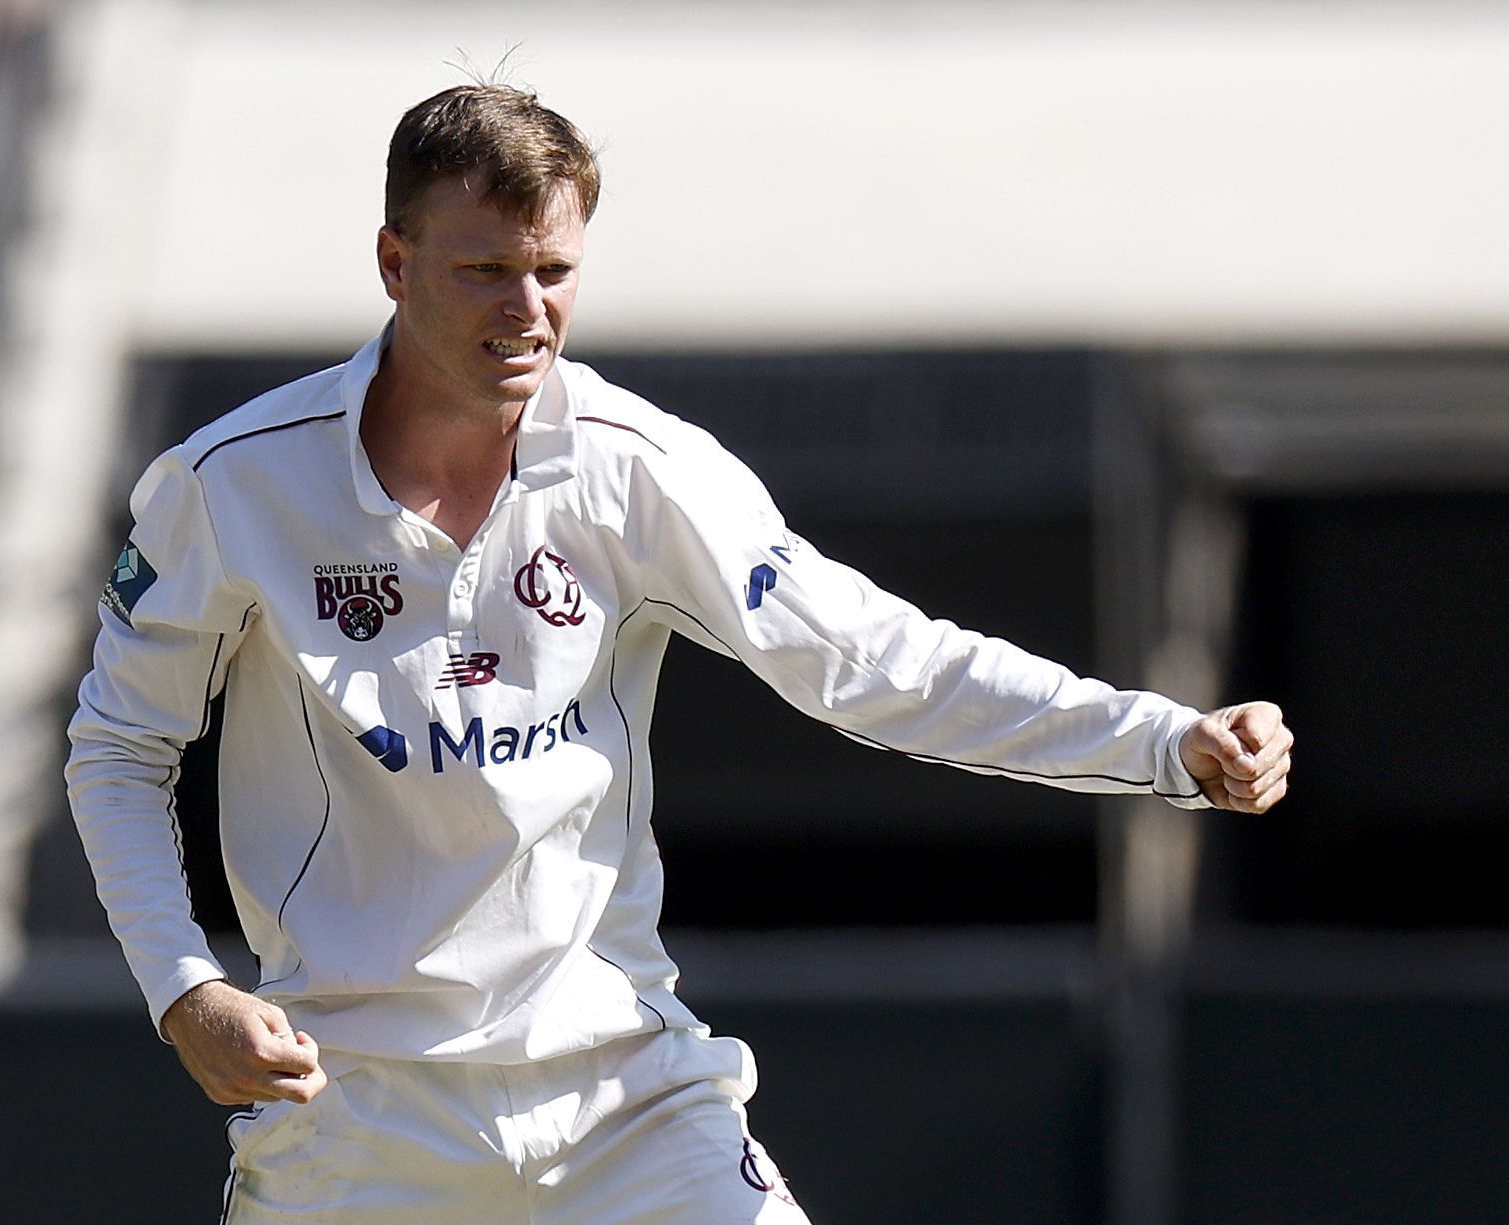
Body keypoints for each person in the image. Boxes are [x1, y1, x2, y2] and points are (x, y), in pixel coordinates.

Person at [66, 84, 1293, 1224]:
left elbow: (875, 661)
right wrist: (184, 987)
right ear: (393, 263)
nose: (526, 309)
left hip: (625, 1100)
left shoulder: (635, 466)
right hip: (353, 1113)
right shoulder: (230, 483)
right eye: (485, 270)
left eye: (553, 272)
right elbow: (119, 747)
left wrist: (1161, 741)